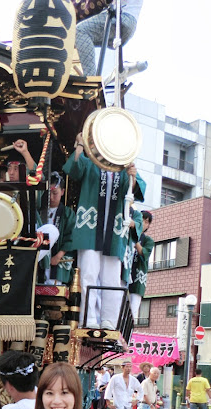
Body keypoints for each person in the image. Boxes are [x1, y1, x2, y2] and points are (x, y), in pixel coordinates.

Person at [63, 133, 145, 330]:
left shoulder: (124, 167)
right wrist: (80, 146)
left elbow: (135, 191)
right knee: (89, 274)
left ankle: (109, 320)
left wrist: (132, 176)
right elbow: (74, 170)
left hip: (115, 232)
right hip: (89, 228)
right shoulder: (91, 162)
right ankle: (88, 318)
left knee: (111, 278)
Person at [75, 0, 144, 78]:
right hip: (129, 23)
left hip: (120, 16)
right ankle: (92, 78)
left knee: (79, 31)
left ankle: (90, 77)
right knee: (79, 39)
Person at [38, 173, 76, 286]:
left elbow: (71, 237)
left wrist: (58, 256)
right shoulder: (40, 211)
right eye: (49, 193)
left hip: (58, 257)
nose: (51, 197)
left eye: (55, 193)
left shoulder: (68, 213)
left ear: (62, 192)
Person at [128, 210, 154, 320]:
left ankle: (126, 336)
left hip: (138, 279)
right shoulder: (127, 233)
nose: (144, 223)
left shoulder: (147, 240)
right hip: (125, 273)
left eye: (147, 222)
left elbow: (144, 253)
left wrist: (135, 239)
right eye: (142, 220)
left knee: (132, 311)